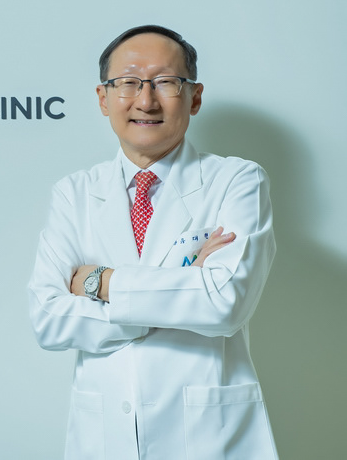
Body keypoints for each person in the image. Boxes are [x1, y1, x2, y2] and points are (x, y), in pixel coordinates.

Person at [28, 26, 277, 459]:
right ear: (103, 98)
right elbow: (49, 319)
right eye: (128, 82)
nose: (146, 100)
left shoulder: (237, 180)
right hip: (105, 436)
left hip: (208, 439)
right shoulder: (75, 193)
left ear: (194, 97)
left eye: (165, 82)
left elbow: (225, 304)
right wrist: (184, 292)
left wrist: (100, 283)